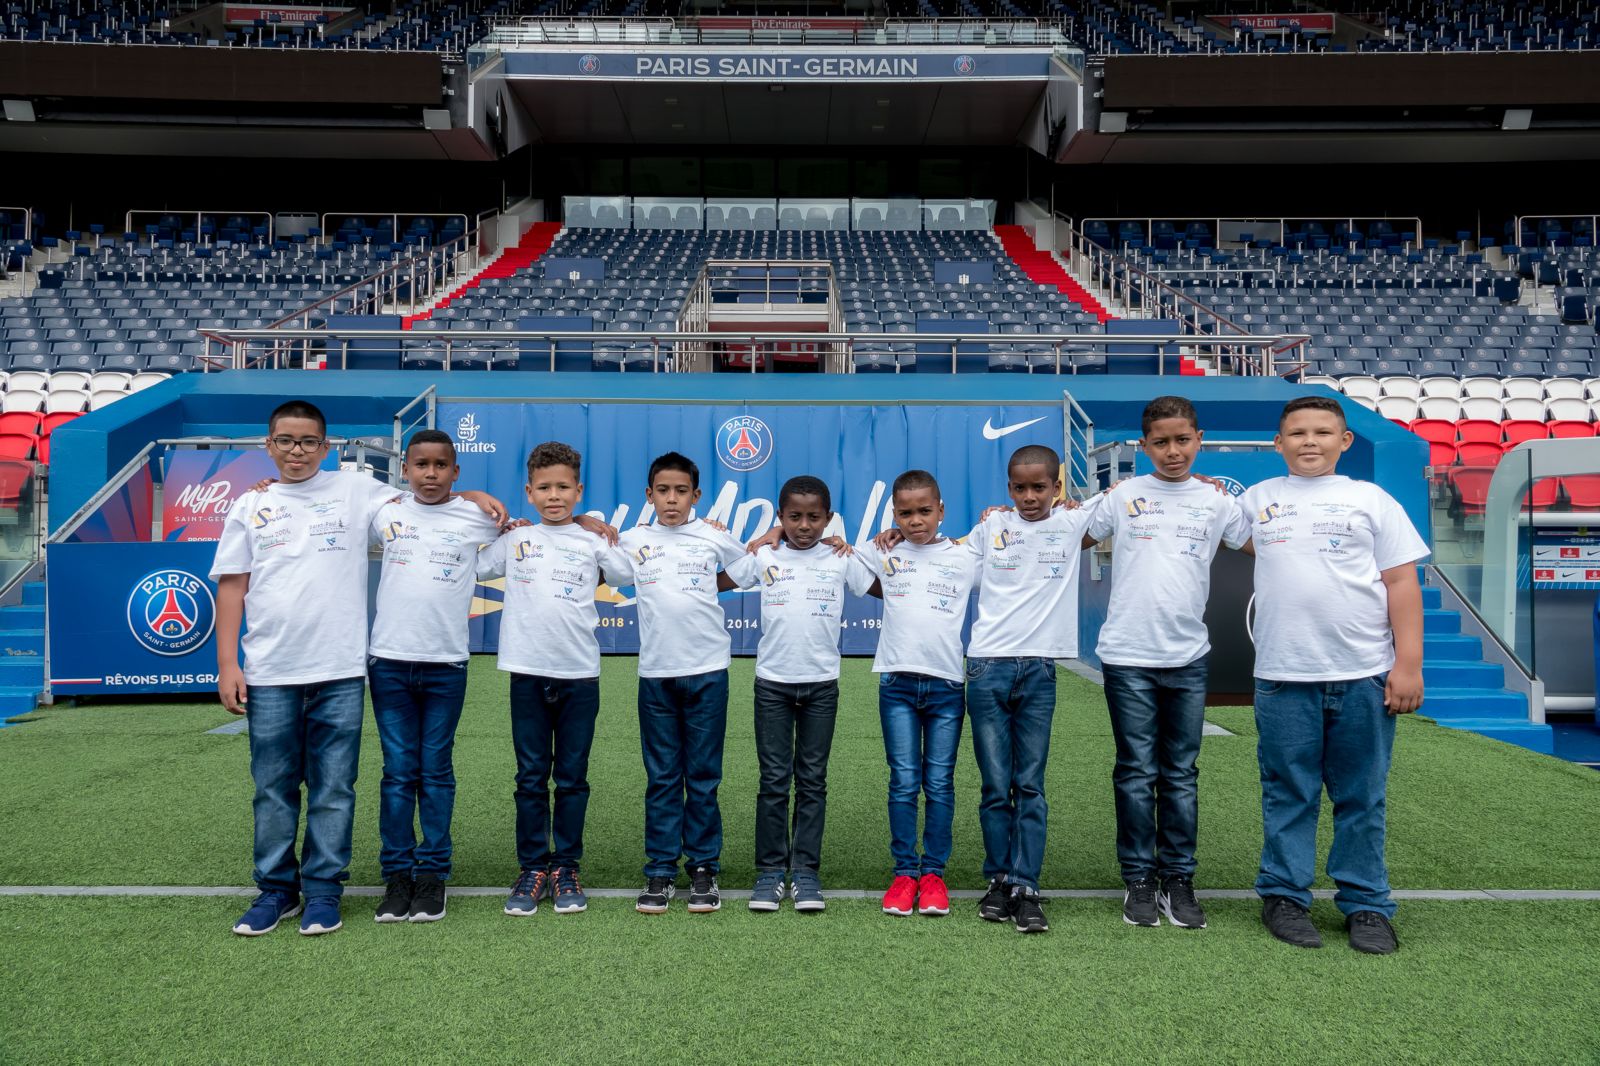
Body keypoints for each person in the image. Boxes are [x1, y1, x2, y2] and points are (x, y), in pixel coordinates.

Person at [212, 400, 504, 937]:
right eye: (285, 441)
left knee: (334, 786)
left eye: (308, 442)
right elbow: (232, 584)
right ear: (268, 445)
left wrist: (472, 496)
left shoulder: (359, 492)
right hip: (270, 668)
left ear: (327, 447)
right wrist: (228, 662)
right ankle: (276, 890)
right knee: (273, 784)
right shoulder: (248, 506)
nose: (297, 451)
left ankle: (325, 890)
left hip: (342, 667)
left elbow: (427, 498)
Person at [1241, 395, 1426, 955]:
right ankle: (1285, 896)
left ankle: (1367, 904)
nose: (1310, 441)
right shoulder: (1257, 500)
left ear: (1345, 441)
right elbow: (1214, 526)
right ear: (1279, 443)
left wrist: (1407, 664)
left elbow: (1401, 584)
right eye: (1297, 433)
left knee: (1361, 796)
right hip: (1282, 675)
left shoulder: (1371, 500)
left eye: (1323, 431)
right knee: (1288, 792)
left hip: (1363, 675)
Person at [1085, 397, 1251, 931]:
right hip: (1127, 656)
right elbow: (1059, 533)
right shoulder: (1124, 496)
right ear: (1143, 446)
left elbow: (1269, 545)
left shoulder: (1217, 502)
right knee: (1135, 772)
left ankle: (1179, 879)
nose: (1173, 451)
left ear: (1199, 439)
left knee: (1180, 774)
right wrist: (1002, 515)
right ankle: (1138, 879)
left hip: (1188, 657)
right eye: (1161, 442)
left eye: (1182, 440)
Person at [961, 445, 1101, 934]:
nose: (1028, 496)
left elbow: (1136, 494)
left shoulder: (1073, 522)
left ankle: (1026, 884)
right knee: (996, 786)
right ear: (1008, 489)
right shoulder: (990, 527)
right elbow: (942, 553)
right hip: (985, 669)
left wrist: (1205, 481)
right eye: (1019, 488)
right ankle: (998, 880)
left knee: (1030, 785)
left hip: (1039, 671)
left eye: (1039, 487)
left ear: (1058, 488)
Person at [368, 429, 504, 924]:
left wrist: (591, 524)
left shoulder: (476, 516)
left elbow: (533, 534)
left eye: (440, 466)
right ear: (405, 468)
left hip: (446, 665)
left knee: (436, 771)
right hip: (388, 662)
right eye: (421, 465)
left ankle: (433, 876)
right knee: (398, 773)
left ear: (455, 472)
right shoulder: (384, 510)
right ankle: (397, 876)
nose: (430, 474)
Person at [601, 452, 746, 915]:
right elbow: (610, 568)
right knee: (662, 778)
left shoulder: (712, 536)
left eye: (681, 491)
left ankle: (703, 869)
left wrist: (709, 580)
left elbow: (748, 565)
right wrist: (587, 519)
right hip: (656, 676)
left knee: (703, 778)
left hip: (707, 672)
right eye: (662, 491)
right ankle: (660, 870)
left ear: (695, 496)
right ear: (649, 495)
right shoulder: (634, 539)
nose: (671, 499)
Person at [477, 441, 617, 919]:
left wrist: (590, 527)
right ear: (529, 492)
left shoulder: (593, 540)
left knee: (573, 778)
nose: (553, 496)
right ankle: (532, 867)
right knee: (531, 777)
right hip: (527, 673)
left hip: (580, 675)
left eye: (563, 488)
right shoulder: (516, 540)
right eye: (543, 488)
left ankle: (566, 868)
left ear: (578, 491)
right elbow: (473, 562)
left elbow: (628, 573)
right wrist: (489, 513)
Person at [721, 475, 873, 913]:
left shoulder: (842, 557)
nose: (804, 526)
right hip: (772, 685)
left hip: (822, 685)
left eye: (813, 517)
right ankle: (770, 872)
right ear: (780, 517)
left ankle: (805, 872)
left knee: (812, 781)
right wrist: (762, 537)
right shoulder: (765, 554)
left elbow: (889, 584)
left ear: (828, 518)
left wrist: (887, 538)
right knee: (773, 781)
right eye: (793, 517)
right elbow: (716, 581)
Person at [850, 470, 980, 919]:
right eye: (904, 513)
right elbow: (846, 562)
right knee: (904, 781)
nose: (915, 520)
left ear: (941, 510)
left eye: (925, 511)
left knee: (939, 783)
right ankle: (905, 874)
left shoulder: (965, 557)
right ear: (894, 515)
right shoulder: (884, 551)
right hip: (897, 686)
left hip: (947, 686)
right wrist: (882, 537)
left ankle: (934, 876)